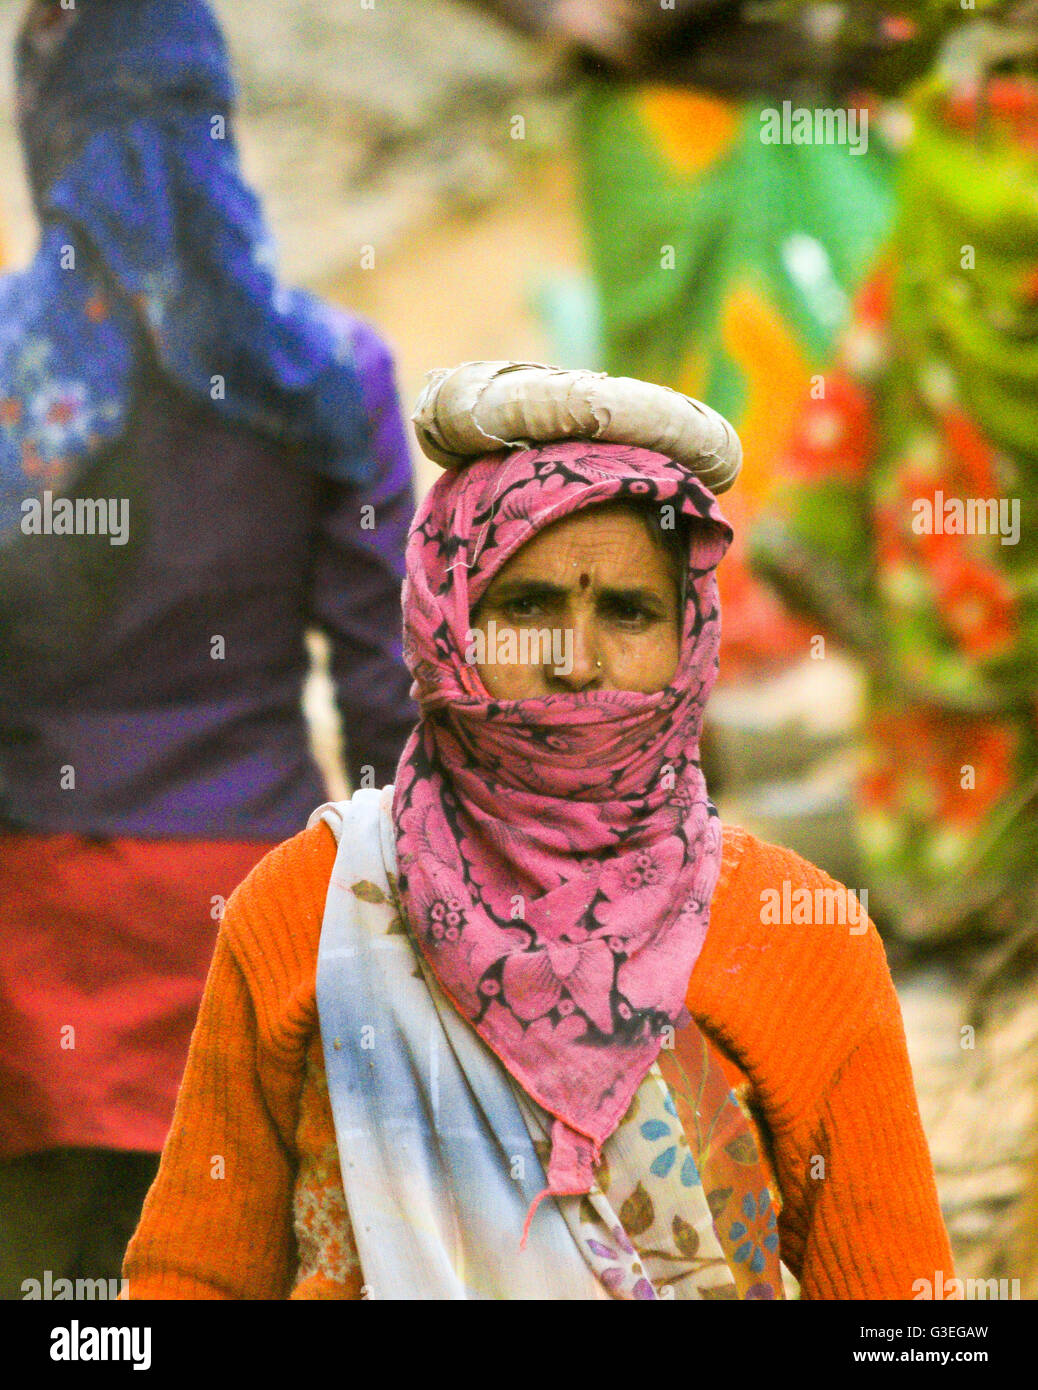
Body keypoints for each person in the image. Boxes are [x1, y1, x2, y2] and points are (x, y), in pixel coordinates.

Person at [123, 362, 954, 1300]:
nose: (577, 660)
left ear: (692, 641)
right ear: (448, 626)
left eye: (630, 612)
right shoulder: (306, 913)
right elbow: (189, 1281)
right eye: (526, 608)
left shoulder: (802, 940)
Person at [0, 0, 416, 1298]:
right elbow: (388, 703)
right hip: (260, 924)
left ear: (46, 128)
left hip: (32, 944)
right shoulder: (331, 373)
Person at [749, 40, 1038, 947]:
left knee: (953, 581)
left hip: (959, 162)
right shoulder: (943, 174)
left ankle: (963, 878)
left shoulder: (947, 167)